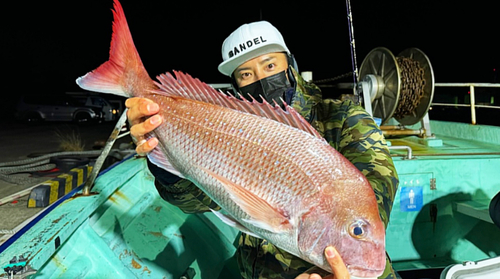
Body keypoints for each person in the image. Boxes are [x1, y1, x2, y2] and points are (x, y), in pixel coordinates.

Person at [126, 21, 399, 279]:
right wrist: (161, 148)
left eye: (270, 65)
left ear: (290, 66)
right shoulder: (231, 126)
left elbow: (379, 182)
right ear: (236, 85)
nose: (261, 78)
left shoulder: (341, 116)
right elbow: (198, 201)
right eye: (246, 74)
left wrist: (335, 264)